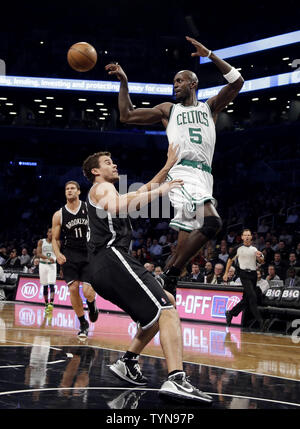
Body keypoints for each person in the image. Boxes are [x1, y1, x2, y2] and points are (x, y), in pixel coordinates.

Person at [105, 35, 244, 298]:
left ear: (194, 83)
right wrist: (124, 82)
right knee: (213, 222)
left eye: (180, 81)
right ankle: (168, 275)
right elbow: (127, 115)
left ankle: (159, 293)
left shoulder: (209, 107)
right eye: (174, 82)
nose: (175, 85)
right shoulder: (168, 110)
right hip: (182, 173)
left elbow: (237, 82)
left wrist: (211, 54)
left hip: (205, 176)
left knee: (182, 255)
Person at [82, 145, 212, 403]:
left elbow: (142, 191)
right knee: (166, 311)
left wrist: (166, 166)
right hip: (111, 257)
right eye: (108, 162)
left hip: (104, 266)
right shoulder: (102, 188)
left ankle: (128, 360)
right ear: (95, 171)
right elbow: (120, 206)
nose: (114, 164)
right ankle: (176, 378)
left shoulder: (109, 190)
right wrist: (163, 190)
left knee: (165, 304)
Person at [52, 181, 99, 339]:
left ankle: (92, 304)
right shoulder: (59, 214)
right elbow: (55, 239)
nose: (69, 191)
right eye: (67, 189)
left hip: (88, 253)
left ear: (79, 192)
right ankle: (83, 323)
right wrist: (57, 253)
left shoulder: (88, 208)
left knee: (87, 291)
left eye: (72, 188)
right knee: (73, 289)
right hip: (70, 253)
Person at [223, 229, 265, 329]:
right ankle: (260, 321)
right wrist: (225, 273)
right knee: (252, 296)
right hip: (244, 274)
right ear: (242, 237)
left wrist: (261, 257)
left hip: (253, 274)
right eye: (245, 235)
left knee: (246, 299)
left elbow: (262, 262)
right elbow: (229, 260)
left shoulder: (255, 249)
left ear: (251, 237)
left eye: (248, 235)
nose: (247, 237)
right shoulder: (238, 248)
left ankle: (231, 313)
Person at [37, 228, 57, 312]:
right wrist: (48, 257)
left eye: (52, 232)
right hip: (43, 265)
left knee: (52, 284)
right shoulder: (41, 241)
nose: (51, 234)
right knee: (45, 286)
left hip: (52, 266)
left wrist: (62, 268)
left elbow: (59, 254)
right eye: (49, 232)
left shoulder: (56, 242)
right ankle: (46, 303)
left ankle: (51, 304)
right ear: (47, 233)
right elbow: (38, 254)